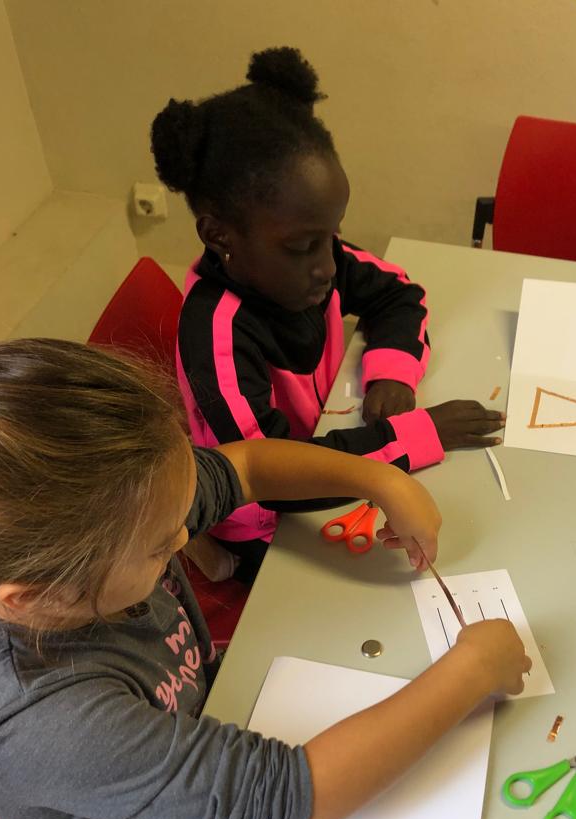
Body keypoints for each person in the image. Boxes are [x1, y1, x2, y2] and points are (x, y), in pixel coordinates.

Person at [0, 338, 529, 819]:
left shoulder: (115, 509)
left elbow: (245, 466)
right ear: (37, 600)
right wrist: (472, 670)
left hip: (197, 760)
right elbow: (297, 792)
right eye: (162, 548)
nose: (184, 536)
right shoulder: (45, 718)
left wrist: (379, 477)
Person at [151, 46, 505, 582]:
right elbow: (268, 470)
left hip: (332, 447)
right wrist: (420, 434)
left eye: (331, 235)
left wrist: (391, 371)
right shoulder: (215, 335)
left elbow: (400, 294)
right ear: (220, 236)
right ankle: (210, 553)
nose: (327, 266)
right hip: (266, 515)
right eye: (302, 247)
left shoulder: (314, 262)